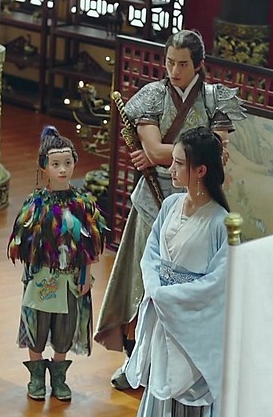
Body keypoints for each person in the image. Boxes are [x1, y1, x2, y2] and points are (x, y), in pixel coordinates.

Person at [94, 29, 246, 389]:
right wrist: (180, 153)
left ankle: (187, 364)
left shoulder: (215, 99)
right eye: (169, 62)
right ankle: (135, 361)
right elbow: (153, 148)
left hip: (200, 202)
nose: (174, 71)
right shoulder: (153, 95)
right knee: (142, 283)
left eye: (182, 64)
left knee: (193, 284)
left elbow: (203, 153)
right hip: (153, 202)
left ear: (199, 65)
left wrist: (165, 155)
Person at [125, 127, 231, 416]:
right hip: (164, 311)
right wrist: (156, 290)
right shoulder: (170, 204)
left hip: (192, 320)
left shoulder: (220, 222)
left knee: (186, 387)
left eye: (179, 163)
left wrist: (172, 298)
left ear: (201, 170)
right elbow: (151, 255)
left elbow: (218, 282)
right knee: (161, 383)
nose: (170, 168)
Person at [7, 126, 107, 401]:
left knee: (65, 327)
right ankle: (36, 376)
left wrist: (86, 274)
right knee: (37, 327)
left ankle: (59, 377)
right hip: (41, 277)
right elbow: (23, 243)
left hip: (71, 279)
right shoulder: (35, 204)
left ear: (75, 163)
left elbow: (91, 245)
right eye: (55, 164)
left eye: (67, 163)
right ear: (44, 167)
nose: (62, 169)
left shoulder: (83, 203)